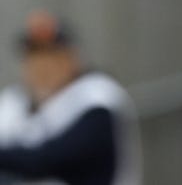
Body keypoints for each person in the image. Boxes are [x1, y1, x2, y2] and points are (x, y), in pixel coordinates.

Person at [0, 10, 142, 185]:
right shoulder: (14, 101)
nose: (43, 66)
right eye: (35, 57)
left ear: (73, 59)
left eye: (52, 56)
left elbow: (45, 160)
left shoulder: (97, 95)